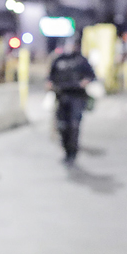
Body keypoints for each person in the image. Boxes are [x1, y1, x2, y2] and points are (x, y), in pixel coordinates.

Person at [47, 37, 96, 165]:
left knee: (74, 125)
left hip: (77, 97)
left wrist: (85, 81)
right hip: (61, 95)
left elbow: (91, 75)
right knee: (62, 126)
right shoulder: (58, 60)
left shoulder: (81, 60)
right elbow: (50, 77)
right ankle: (66, 151)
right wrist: (50, 84)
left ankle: (72, 153)